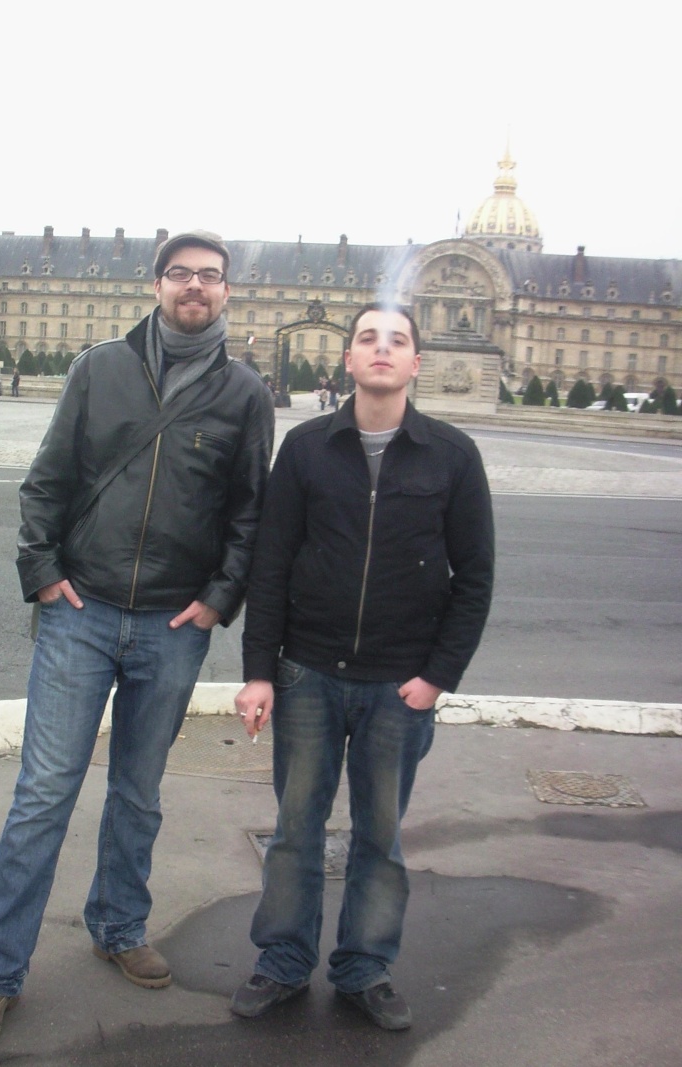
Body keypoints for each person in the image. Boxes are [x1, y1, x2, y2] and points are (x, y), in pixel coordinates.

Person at [0, 231, 275, 1053]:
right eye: (180, 274)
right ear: (157, 284)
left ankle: (118, 923)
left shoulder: (245, 392)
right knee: (43, 795)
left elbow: (249, 515)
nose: (194, 287)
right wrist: (44, 575)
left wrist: (216, 601)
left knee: (139, 791)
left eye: (209, 276)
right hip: (81, 612)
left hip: (173, 624)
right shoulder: (100, 366)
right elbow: (47, 478)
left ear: (227, 292)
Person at [230, 302, 494, 1031]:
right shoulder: (308, 447)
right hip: (308, 671)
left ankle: (363, 966)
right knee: (294, 827)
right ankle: (282, 962)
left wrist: (438, 676)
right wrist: (260, 671)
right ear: (347, 360)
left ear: (416, 363)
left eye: (398, 340)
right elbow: (272, 563)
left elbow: (474, 576)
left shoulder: (453, 455)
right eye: (368, 339)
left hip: (397, 684)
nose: (382, 349)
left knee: (380, 836)